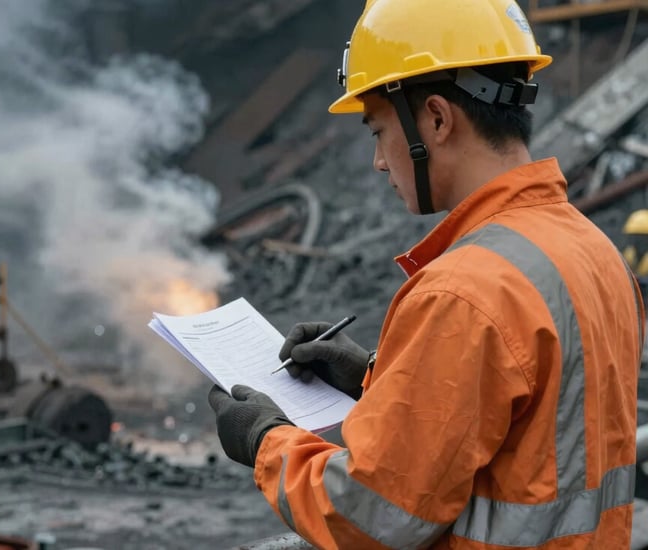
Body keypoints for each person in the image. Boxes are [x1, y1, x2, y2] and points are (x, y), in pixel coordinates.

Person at [208, 0, 645, 547]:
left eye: (376, 131)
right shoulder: (592, 250)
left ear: (436, 119)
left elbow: (369, 515)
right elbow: (530, 425)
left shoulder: (465, 292)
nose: (380, 162)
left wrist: (265, 440)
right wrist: (375, 376)